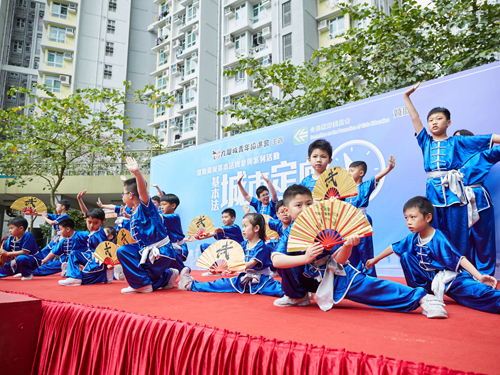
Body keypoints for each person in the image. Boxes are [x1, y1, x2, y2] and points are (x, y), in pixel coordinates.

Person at [270, 184, 447, 319]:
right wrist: (305, 257)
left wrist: (348, 246)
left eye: (309, 203)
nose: (306, 208)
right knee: (287, 261)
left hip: (332, 276)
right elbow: (276, 261)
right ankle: (298, 297)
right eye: (298, 205)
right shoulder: (289, 232)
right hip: (304, 278)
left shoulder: (324, 225)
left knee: (371, 288)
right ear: (286, 210)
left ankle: (423, 298)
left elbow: (338, 260)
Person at [403, 83, 500, 257]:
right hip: (433, 194)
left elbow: (488, 138)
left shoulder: (458, 141)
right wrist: (406, 97)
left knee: (459, 236)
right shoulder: (426, 142)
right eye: (431, 120)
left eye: (438, 119)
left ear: (448, 122)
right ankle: (442, 270)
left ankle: (461, 274)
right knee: (436, 234)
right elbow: (415, 118)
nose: (434, 122)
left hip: (455, 194)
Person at [366, 196, 500, 314]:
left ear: (428, 217)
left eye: (413, 217)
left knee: (478, 293)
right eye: (406, 218)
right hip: (429, 279)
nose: (408, 222)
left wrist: (480, 276)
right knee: (406, 257)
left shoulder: (438, 238)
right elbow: (393, 247)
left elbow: (460, 259)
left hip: (449, 280)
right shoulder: (413, 238)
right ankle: (422, 295)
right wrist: (374, 260)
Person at [178, 213, 284, 297]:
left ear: (256, 228)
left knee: (281, 290)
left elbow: (250, 264)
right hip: (244, 279)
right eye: (242, 226)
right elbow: (235, 258)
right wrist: (225, 268)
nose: (243, 229)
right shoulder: (243, 244)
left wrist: (234, 267)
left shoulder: (262, 246)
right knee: (218, 284)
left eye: (245, 226)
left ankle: (297, 293)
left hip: (261, 280)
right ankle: (189, 284)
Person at [116, 157, 179, 294]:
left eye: (123, 194)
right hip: (146, 250)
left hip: (160, 253)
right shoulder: (135, 211)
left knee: (139, 273)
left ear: (131, 195)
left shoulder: (146, 207)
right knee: (124, 250)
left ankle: (144, 285)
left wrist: (137, 173)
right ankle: (167, 276)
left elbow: (142, 192)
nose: (122, 197)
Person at [454, 129, 499, 276]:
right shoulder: (449, 160)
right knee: (461, 240)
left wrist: (486, 140)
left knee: (483, 238)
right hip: (456, 201)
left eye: (463, 140)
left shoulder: (482, 155)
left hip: (479, 199)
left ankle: (485, 275)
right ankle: (466, 276)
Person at [345, 156, 395, 276]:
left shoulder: (366, 186)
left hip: (361, 220)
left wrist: (389, 168)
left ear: (361, 173)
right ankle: (355, 279)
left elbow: (377, 177)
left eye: (352, 171)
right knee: (350, 251)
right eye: (348, 170)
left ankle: (371, 280)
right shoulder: (345, 190)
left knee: (365, 251)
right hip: (347, 222)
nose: (348, 173)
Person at [58, 191, 113, 286]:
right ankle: (75, 276)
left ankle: (106, 274)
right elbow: (86, 213)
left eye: (96, 223)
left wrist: (109, 264)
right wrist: (79, 200)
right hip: (90, 257)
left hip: (97, 262)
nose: (92, 225)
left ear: (101, 223)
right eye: (89, 222)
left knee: (84, 278)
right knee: (74, 253)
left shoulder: (98, 235)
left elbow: (105, 250)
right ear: (86, 220)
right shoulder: (93, 231)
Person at [36, 218, 101, 277]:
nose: (59, 231)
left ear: (68, 229)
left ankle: (72, 270)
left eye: (61, 229)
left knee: (92, 270)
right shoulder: (63, 241)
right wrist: (44, 261)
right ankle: (68, 269)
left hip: (81, 258)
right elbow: (53, 252)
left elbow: (93, 233)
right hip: (64, 260)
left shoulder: (80, 234)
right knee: (39, 270)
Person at [159, 194, 188, 272]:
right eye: (160, 205)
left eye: (164, 204)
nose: (161, 207)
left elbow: (157, 217)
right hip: (166, 246)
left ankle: (185, 271)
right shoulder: (162, 215)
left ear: (173, 206)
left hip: (177, 247)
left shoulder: (175, 217)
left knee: (171, 254)